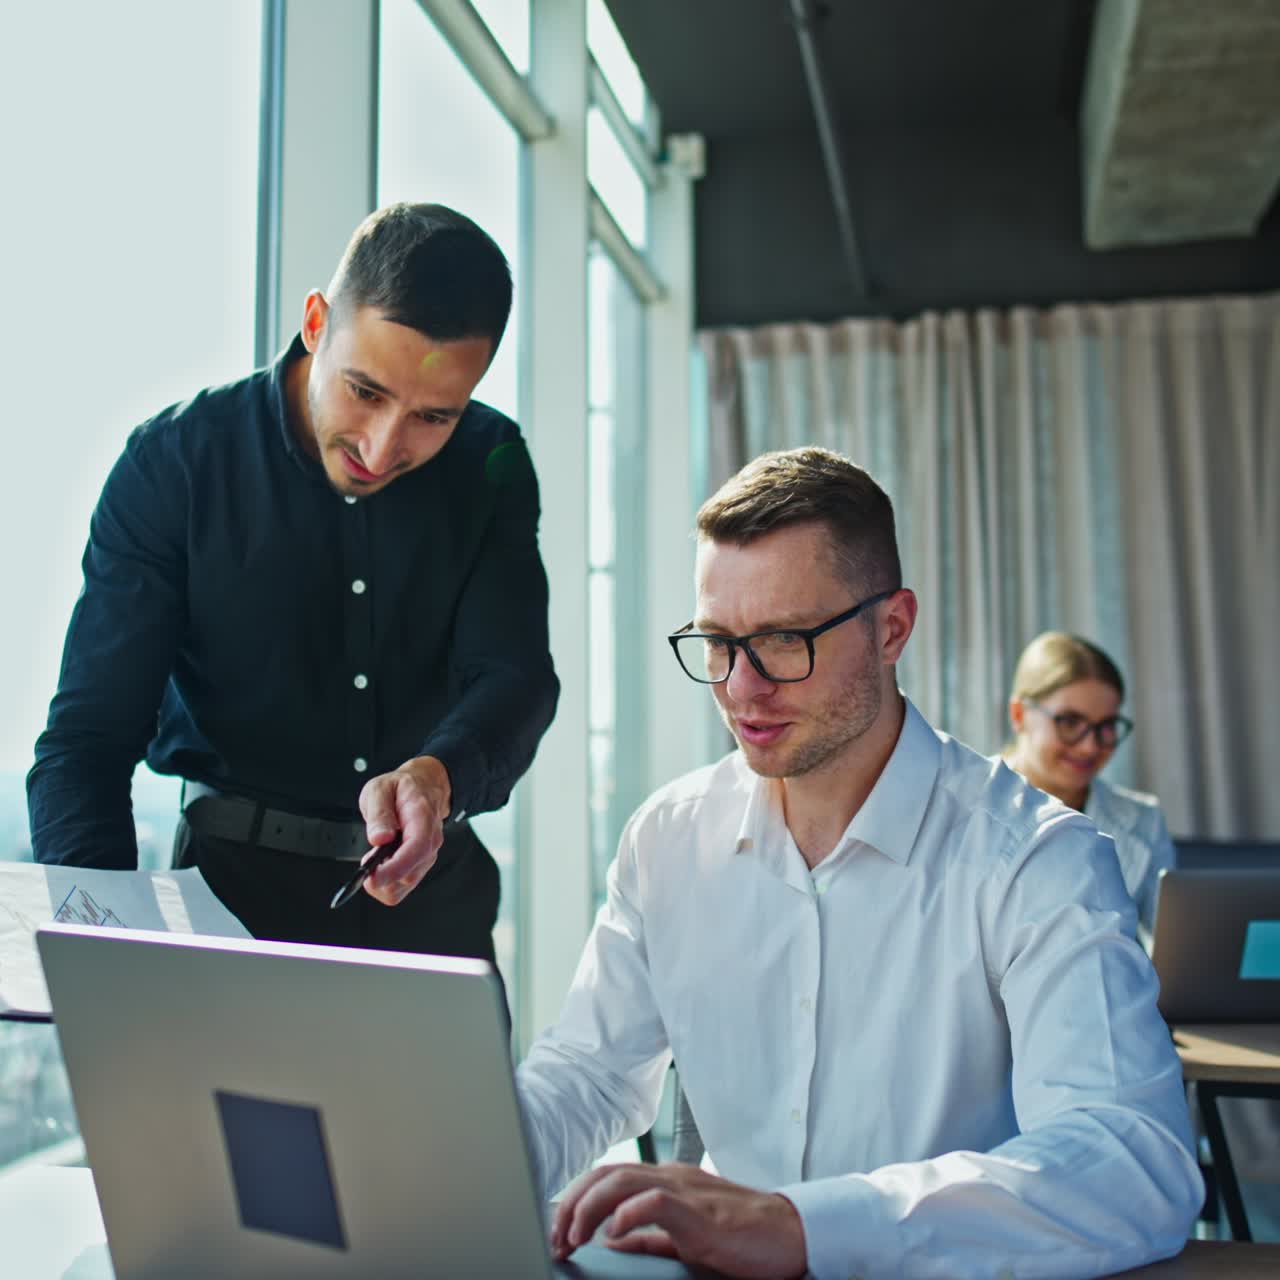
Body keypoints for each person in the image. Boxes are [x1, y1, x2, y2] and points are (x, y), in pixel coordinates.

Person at [516, 447, 1201, 1279]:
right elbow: (587, 1077)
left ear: (892, 628)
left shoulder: (1039, 861)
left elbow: (1134, 1164)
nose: (741, 687)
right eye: (718, 643)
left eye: (781, 640)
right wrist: (451, 1167)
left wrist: (802, 1227)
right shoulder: (666, 839)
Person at [27, 203, 558, 964]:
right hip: (225, 908)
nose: (384, 447)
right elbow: (88, 743)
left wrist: (437, 778)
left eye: (433, 417)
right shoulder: (175, 464)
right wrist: (106, 958)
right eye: (366, 392)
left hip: (431, 912)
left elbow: (514, 679)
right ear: (316, 322)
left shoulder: (491, 462)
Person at [1004, 631, 1174, 938]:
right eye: (1069, 722)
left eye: (1106, 726)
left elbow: (1169, 949)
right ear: (1019, 715)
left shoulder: (1144, 820)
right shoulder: (962, 806)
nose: (1089, 747)